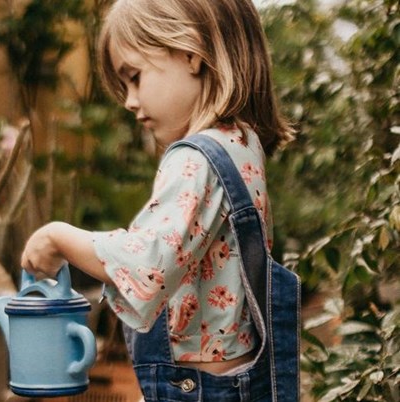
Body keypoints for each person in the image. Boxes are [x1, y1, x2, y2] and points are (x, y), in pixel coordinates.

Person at [20, 0, 300, 400]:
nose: (129, 100)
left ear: (191, 53)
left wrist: (57, 237)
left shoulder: (195, 158)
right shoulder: (242, 143)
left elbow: (147, 266)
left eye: (134, 77)